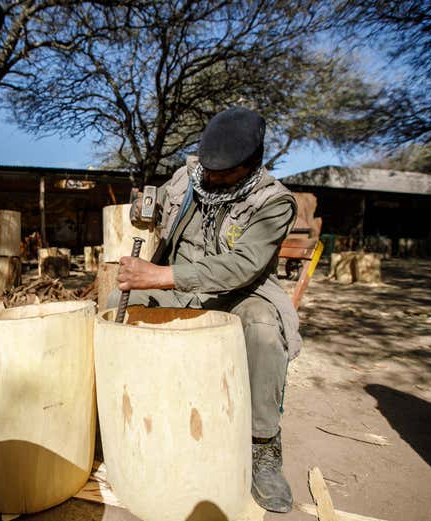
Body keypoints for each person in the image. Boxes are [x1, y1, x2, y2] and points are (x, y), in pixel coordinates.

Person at [109, 106, 302, 513]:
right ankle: (122, 418)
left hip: (239, 293)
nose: (211, 178)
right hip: (181, 288)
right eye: (208, 168)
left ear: (251, 165)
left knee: (265, 332)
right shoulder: (189, 175)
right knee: (116, 309)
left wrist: (160, 276)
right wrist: (144, 205)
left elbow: (241, 266)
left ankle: (263, 447)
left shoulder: (275, 201)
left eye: (223, 173)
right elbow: (156, 205)